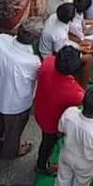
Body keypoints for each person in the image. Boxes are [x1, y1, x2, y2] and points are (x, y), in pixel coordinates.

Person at [0, 21, 41, 159]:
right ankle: (10, 152)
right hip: (16, 104)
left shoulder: (2, 40)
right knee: (13, 131)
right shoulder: (32, 61)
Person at [33, 44, 86, 174]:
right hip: (53, 123)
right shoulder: (76, 93)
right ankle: (42, 166)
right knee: (47, 144)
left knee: (46, 141)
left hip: (40, 109)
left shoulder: (47, 62)